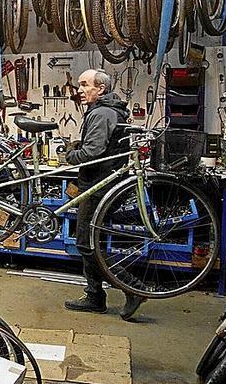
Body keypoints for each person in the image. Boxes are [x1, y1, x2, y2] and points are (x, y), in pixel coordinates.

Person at [63, 69, 145, 321]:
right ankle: (95, 296)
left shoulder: (102, 113)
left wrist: (70, 155)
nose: (79, 90)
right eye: (79, 84)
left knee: (86, 245)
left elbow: (93, 151)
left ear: (100, 89)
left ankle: (133, 288)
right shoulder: (109, 110)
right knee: (90, 243)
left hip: (98, 185)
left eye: (84, 84)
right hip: (101, 182)